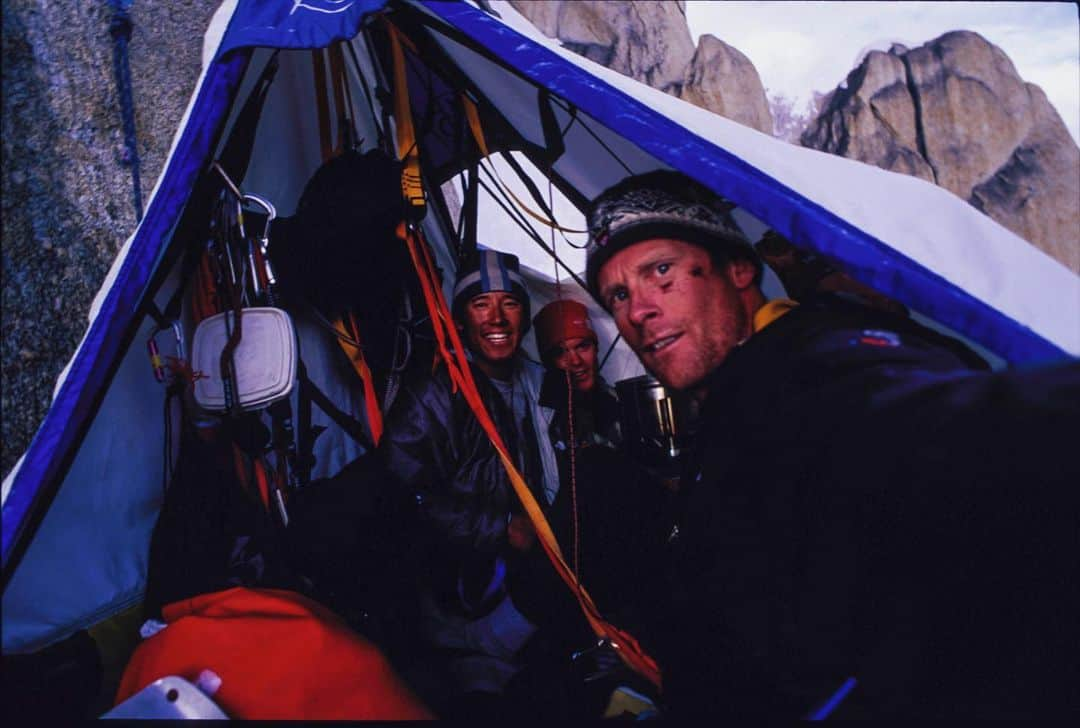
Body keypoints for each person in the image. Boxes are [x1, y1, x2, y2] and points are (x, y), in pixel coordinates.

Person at [584, 170, 1080, 719]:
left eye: (662, 272)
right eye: (619, 295)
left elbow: (950, 433)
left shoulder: (811, 367)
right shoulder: (737, 395)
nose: (639, 311)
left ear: (740, 269)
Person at [379, 249, 566, 717]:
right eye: (481, 303)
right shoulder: (437, 393)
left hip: (525, 565)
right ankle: (473, 658)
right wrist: (500, 527)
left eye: (510, 303)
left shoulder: (536, 385)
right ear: (460, 318)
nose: (497, 317)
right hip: (462, 584)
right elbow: (399, 495)